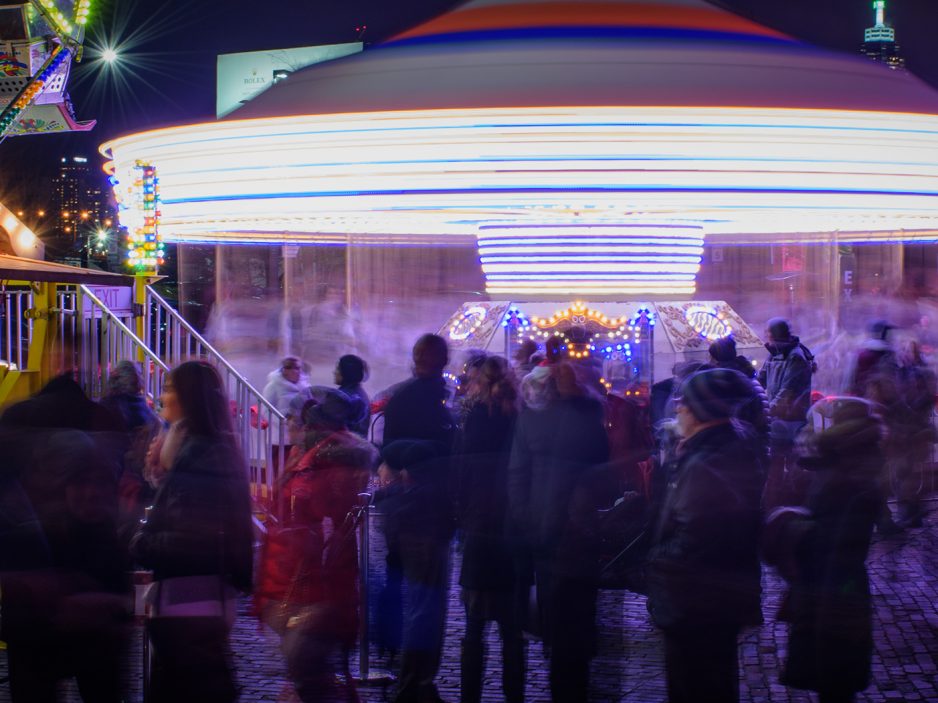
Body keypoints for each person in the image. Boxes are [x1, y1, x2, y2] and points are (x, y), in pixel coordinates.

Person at [130, 361, 254, 703]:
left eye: (170, 388)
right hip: (199, 594)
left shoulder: (199, 453)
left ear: (189, 398)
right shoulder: (201, 446)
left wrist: (142, 543)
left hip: (191, 596)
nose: (163, 396)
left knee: (185, 686)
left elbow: (191, 535)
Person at [646, 368, 764, 703]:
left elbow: (696, 537)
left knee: (694, 685)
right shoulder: (728, 444)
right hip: (717, 597)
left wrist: (657, 562)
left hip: (697, 600)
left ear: (700, 410)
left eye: (683, 403)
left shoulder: (706, 464)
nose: (677, 409)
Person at [255, 390, 376, 702]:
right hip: (300, 588)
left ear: (313, 424)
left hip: (315, 592)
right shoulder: (309, 459)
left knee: (313, 681)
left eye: (296, 419)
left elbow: (324, 531)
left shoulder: (330, 464)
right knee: (312, 679)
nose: (290, 425)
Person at [765, 397, 883, 703]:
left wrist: (794, 529)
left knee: (834, 673)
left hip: (833, 588)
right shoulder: (845, 465)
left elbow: (839, 539)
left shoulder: (850, 474)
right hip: (831, 584)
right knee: (833, 677)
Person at [508, 361, 612, 702]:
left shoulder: (532, 420)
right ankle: (572, 680)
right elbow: (603, 466)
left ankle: (562, 669)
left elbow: (518, 475)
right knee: (577, 612)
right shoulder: (587, 417)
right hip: (575, 526)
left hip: (547, 525)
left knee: (557, 608)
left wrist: (526, 518)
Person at [379, 333, 456, 703]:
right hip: (424, 511)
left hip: (409, 511)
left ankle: (415, 679)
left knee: (421, 599)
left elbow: (389, 450)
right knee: (426, 601)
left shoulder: (405, 397)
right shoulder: (430, 401)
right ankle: (414, 683)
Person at [455, 356, 526, 703]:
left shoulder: (476, 419)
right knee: (513, 629)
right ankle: (514, 696)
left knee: (474, 624)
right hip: (512, 523)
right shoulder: (520, 419)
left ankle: (470, 696)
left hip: (482, 523)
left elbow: (465, 470)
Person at [844, 321, 904, 534]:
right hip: (884, 421)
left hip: (863, 418)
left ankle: (870, 517)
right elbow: (894, 390)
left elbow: (849, 385)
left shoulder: (860, 355)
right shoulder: (888, 358)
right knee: (883, 472)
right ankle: (882, 519)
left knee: (869, 470)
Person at [100, 360, 163, 544]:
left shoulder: (100, 412)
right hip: (137, 492)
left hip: (106, 489)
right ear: (139, 385)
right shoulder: (152, 419)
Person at [758, 318, 815, 508]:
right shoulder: (774, 354)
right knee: (774, 467)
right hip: (777, 421)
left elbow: (787, 391)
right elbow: (760, 380)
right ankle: (772, 508)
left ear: (775, 334)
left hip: (793, 420)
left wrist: (766, 411)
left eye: (768, 332)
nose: (766, 336)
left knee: (793, 467)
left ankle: (793, 507)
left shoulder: (796, 357)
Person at [893, 341, 936, 527]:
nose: (905, 354)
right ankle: (911, 510)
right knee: (905, 472)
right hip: (907, 430)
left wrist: (908, 411)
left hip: (916, 430)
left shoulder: (922, 374)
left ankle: (911, 511)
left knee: (912, 472)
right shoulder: (902, 373)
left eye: (908, 350)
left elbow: (927, 398)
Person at [264, 356, 312, 474]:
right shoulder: (273, 386)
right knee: (280, 471)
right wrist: (284, 421)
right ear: (283, 369)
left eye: (297, 368)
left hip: (300, 436)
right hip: (279, 438)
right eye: (288, 367)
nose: (293, 371)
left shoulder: (306, 386)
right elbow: (266, 410)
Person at [335, 353, 372, 437]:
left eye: (338, 369)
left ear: (346, 372)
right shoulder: (360, 392)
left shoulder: (342, 397)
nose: (334, 372)